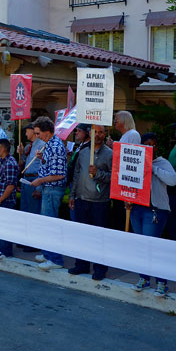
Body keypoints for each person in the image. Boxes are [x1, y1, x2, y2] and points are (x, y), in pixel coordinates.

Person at [130, 132, 176, 297]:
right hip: (136, 209)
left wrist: (152, 168)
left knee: (153, 247)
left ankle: (162, 282)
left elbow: (173, 180)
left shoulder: (162, 162)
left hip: (154, 210)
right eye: (147, 144)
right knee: (141, 247)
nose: (150, 147)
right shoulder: (134, 160)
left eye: (153, 144)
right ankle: (144, 278)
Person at [68, 124, 113, 281]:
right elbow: (77, 174)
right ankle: (82, 264)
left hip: (100, 202)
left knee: (99, 237)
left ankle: (100, 269)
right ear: (91, 134)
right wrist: (73, 195)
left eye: (101, 132)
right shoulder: (84, 152)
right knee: (82, 235)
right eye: (96, 132)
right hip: (82, 199)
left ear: (105, 134)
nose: (98, 135)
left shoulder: (110, 154)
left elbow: (114, 177)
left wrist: (98, 173)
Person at [30, 116, 68, 270]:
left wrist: (40, 181)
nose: (37, 136)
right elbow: (52, 167)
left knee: (50, 224)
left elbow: (60, 174)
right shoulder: (50, 145)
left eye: (38, 133)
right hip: (49, 188)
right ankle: (47, 254)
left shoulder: (56, 146)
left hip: (53, 189)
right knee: (46, 223)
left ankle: (55, 259)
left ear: (47, 132)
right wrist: (42, 159)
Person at [0, 138, 19, 259]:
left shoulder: (10, 163)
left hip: (5, 201)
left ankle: (5, 252)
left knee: (4, 227)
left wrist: (0, 199)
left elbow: (11, 186)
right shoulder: (1, 161)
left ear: (2, 149)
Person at [18, 124, 44, 217]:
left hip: (34, 180)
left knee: (33, 212)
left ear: (33, 131)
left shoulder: (41, 145)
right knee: (24, 210)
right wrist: (22, 154)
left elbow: (43, 166)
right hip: (26, 180)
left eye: (26, 131)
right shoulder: (30, 146)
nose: (25, 134)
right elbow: (28, 162)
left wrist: (39, 188)